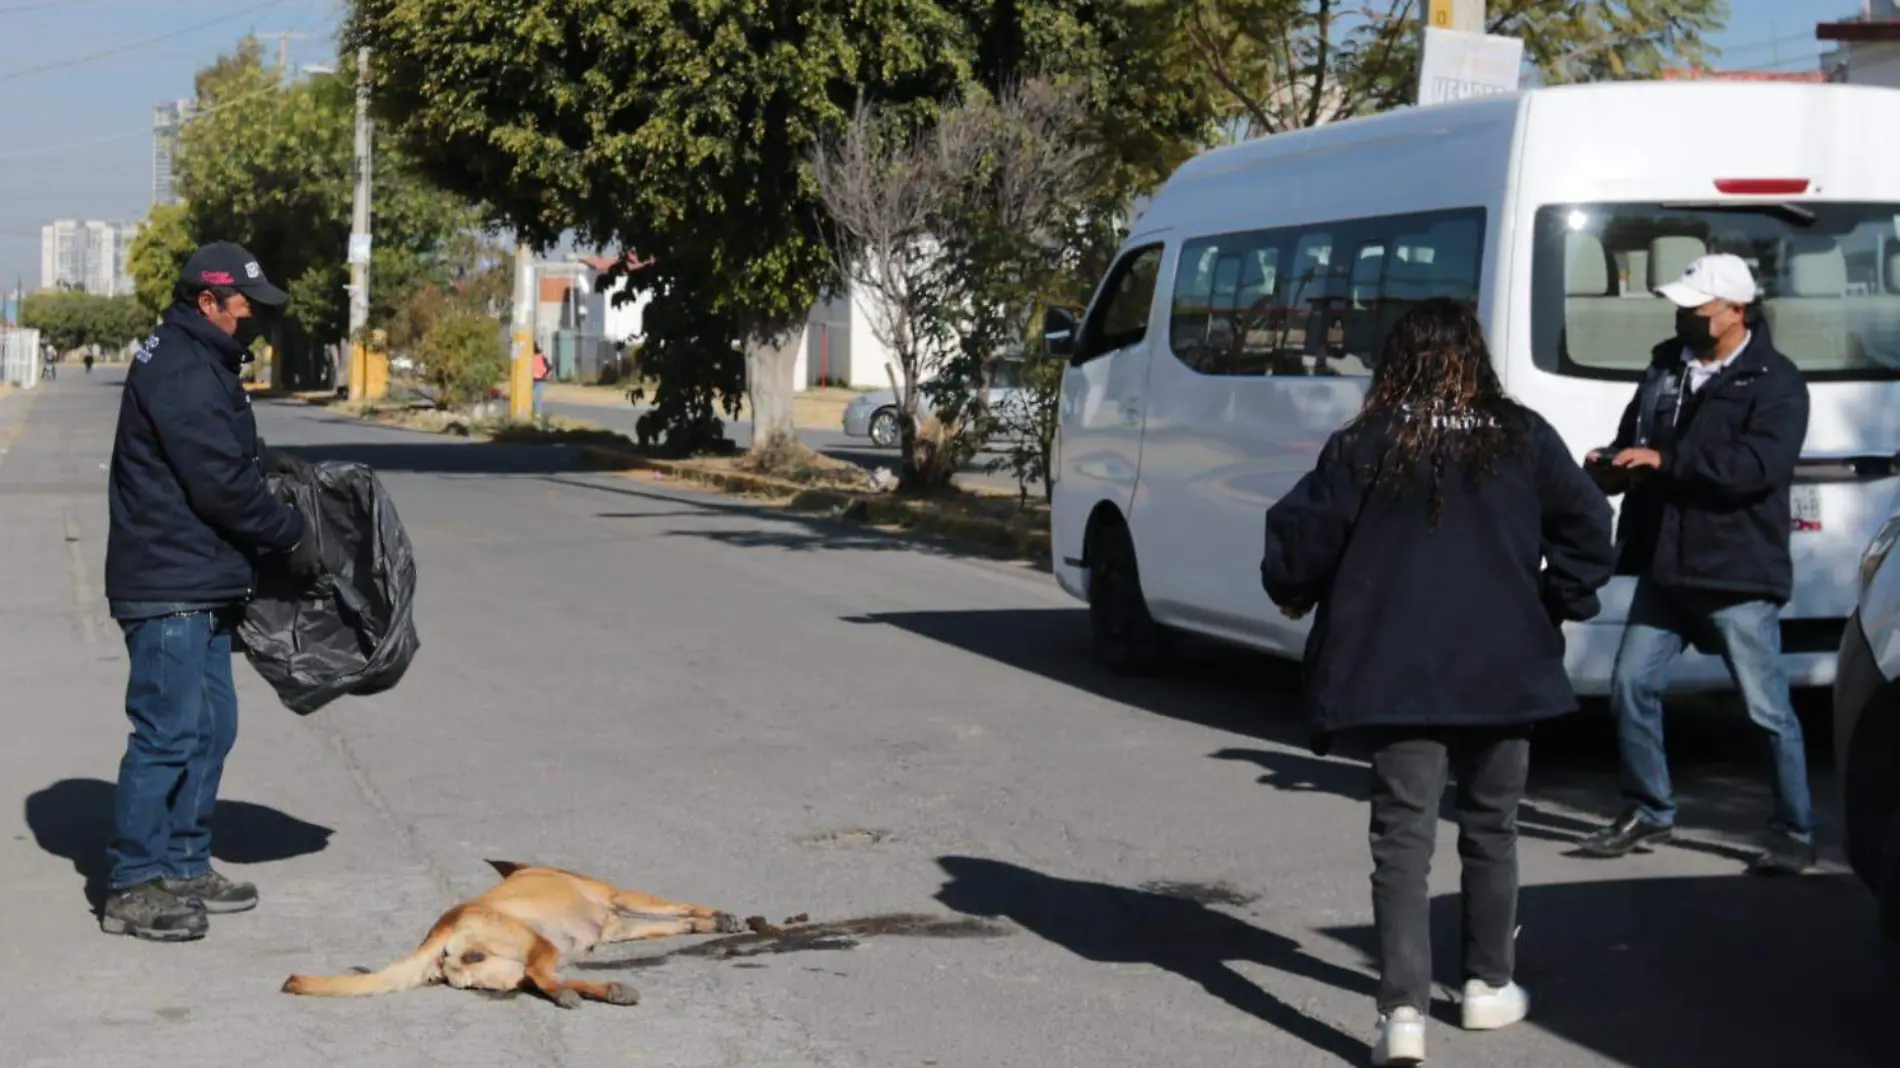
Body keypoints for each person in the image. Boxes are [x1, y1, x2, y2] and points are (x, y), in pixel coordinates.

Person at [1260, 299, 1616, 1066]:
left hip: (1400, 672)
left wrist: (1289, 587)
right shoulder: (1522, 436)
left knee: (1402, 840)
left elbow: (1305, 537)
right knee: (1493, 829)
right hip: (1504, 668)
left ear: (1397, 361)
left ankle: (1402, 1014)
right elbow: (1590, 527)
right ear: (1474, 356)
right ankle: (1487, 986)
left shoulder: (1368, 441)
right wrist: (1553, 604)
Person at [100, 241, 322, 942]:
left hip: (198, 577)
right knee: (167, 733)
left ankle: (185, 861)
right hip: (168, 581)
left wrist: (266, 465)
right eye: (244, 306)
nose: (253, 317)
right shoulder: (182, 369)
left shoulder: (200, 358)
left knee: (211, 727)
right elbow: (219, 485)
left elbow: (225, 461)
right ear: (207, 301)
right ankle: (132, 884)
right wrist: (288, 535)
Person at [1574, 253, 1817, 875]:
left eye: (1697, 309)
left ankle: (1795, 830)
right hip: (1666, 564)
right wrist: (1612, 467)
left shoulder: (1777, 382)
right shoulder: (1665, 367)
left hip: (1735, 570)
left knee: (1765, 709)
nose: (1685, 318)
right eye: (1681, 308)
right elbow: (1639, 438)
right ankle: (1648, 809)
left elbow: (1754, 471)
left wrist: (1663, 462)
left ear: (1736, 311)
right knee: (1631, 686)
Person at [531, 344, 551, 415]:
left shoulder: (528, 357)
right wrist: (545, 376)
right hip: (540, 380)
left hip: (531, 379)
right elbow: (549, 368)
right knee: (537, 398)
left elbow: (549, 368)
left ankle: (533, 412)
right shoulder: (542, 356)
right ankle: (537, 414)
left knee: (529, 397)